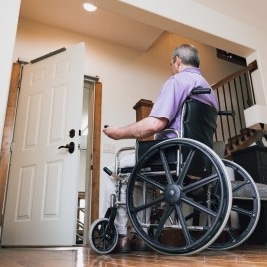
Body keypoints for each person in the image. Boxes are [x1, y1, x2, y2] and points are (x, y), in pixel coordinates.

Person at [103, 44, 219, 253]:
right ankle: (140, 236)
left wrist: (117, 132)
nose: (172, 68)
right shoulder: (210, 91)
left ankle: (120, 235)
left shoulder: (178, 81)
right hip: (198, 158)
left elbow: (155, 124)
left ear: (177, 61)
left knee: (115, 168)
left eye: (171, 64)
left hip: (172, 154)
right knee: (139, 178)